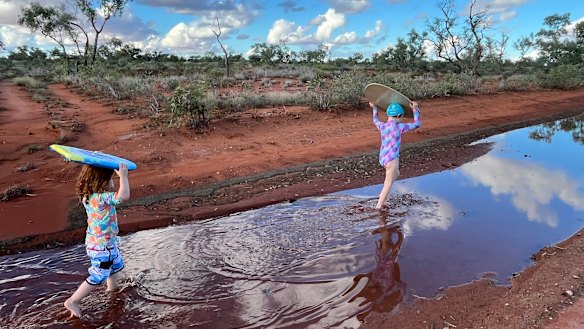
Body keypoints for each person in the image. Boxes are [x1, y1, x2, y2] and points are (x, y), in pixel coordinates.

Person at [64, 163, 130, 318]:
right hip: (102, 246)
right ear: (101, 181)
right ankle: (73, 300)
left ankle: (111, 290)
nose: (113, 181)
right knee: (99, 273)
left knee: (115, 265)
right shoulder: (101, 198)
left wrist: (97, 159)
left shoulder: (87, 196)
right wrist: (124, 177)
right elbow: (123, 197)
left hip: (102, 243)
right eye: (110, 178)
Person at [370, 101, 421, 209]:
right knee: (388, 184)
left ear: (388, 115)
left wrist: (374, 108)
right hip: (392, 160)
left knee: (396, 174)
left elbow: (375, 120)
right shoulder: (399, 127)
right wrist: (415, 110)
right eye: (401, 117)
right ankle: (378, 206)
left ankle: (384, 197)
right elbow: (417, 124)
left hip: (383, 158)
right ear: (399, 116)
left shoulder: (382, 126)